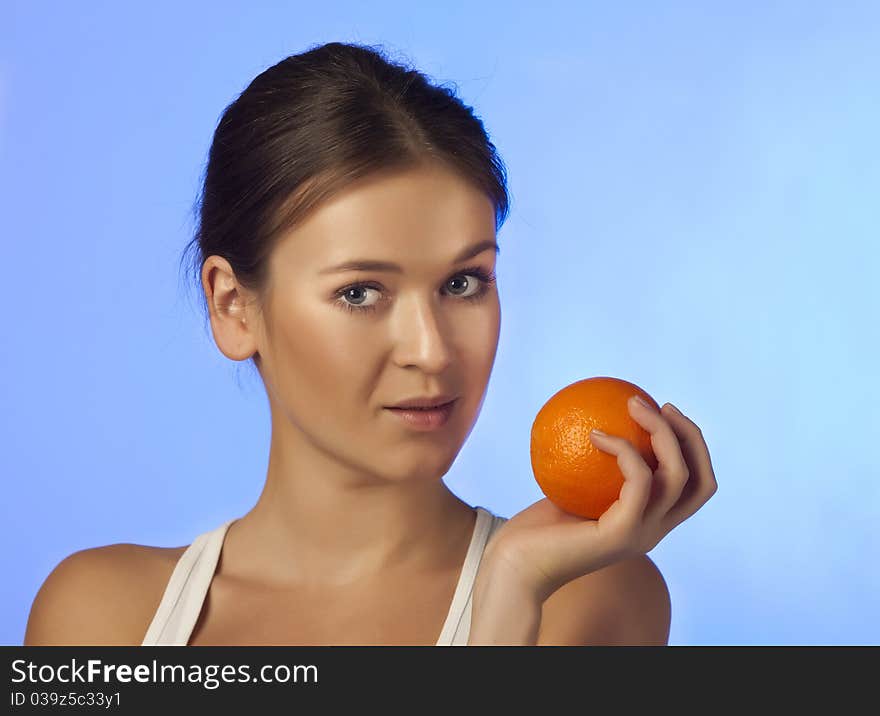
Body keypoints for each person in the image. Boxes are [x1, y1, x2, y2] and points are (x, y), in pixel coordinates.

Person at [24, 41, 716, 647]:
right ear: (233, 307)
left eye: (464, 283)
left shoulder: (589, 598)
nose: (432, 351)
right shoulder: (102, 615)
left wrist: (508, 596)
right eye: (360, 292)